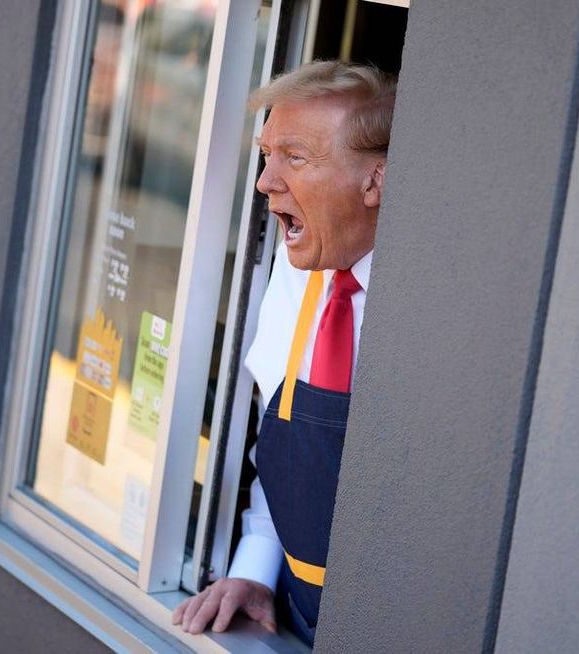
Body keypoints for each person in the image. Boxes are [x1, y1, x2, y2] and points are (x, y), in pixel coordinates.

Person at [172, 60, 396, 645]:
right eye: (267, 155)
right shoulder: (300, 275)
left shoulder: (424, 317)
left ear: (377, 181)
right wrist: (254, 569)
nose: (266, 181)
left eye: (294, 157)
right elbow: (284, 451)